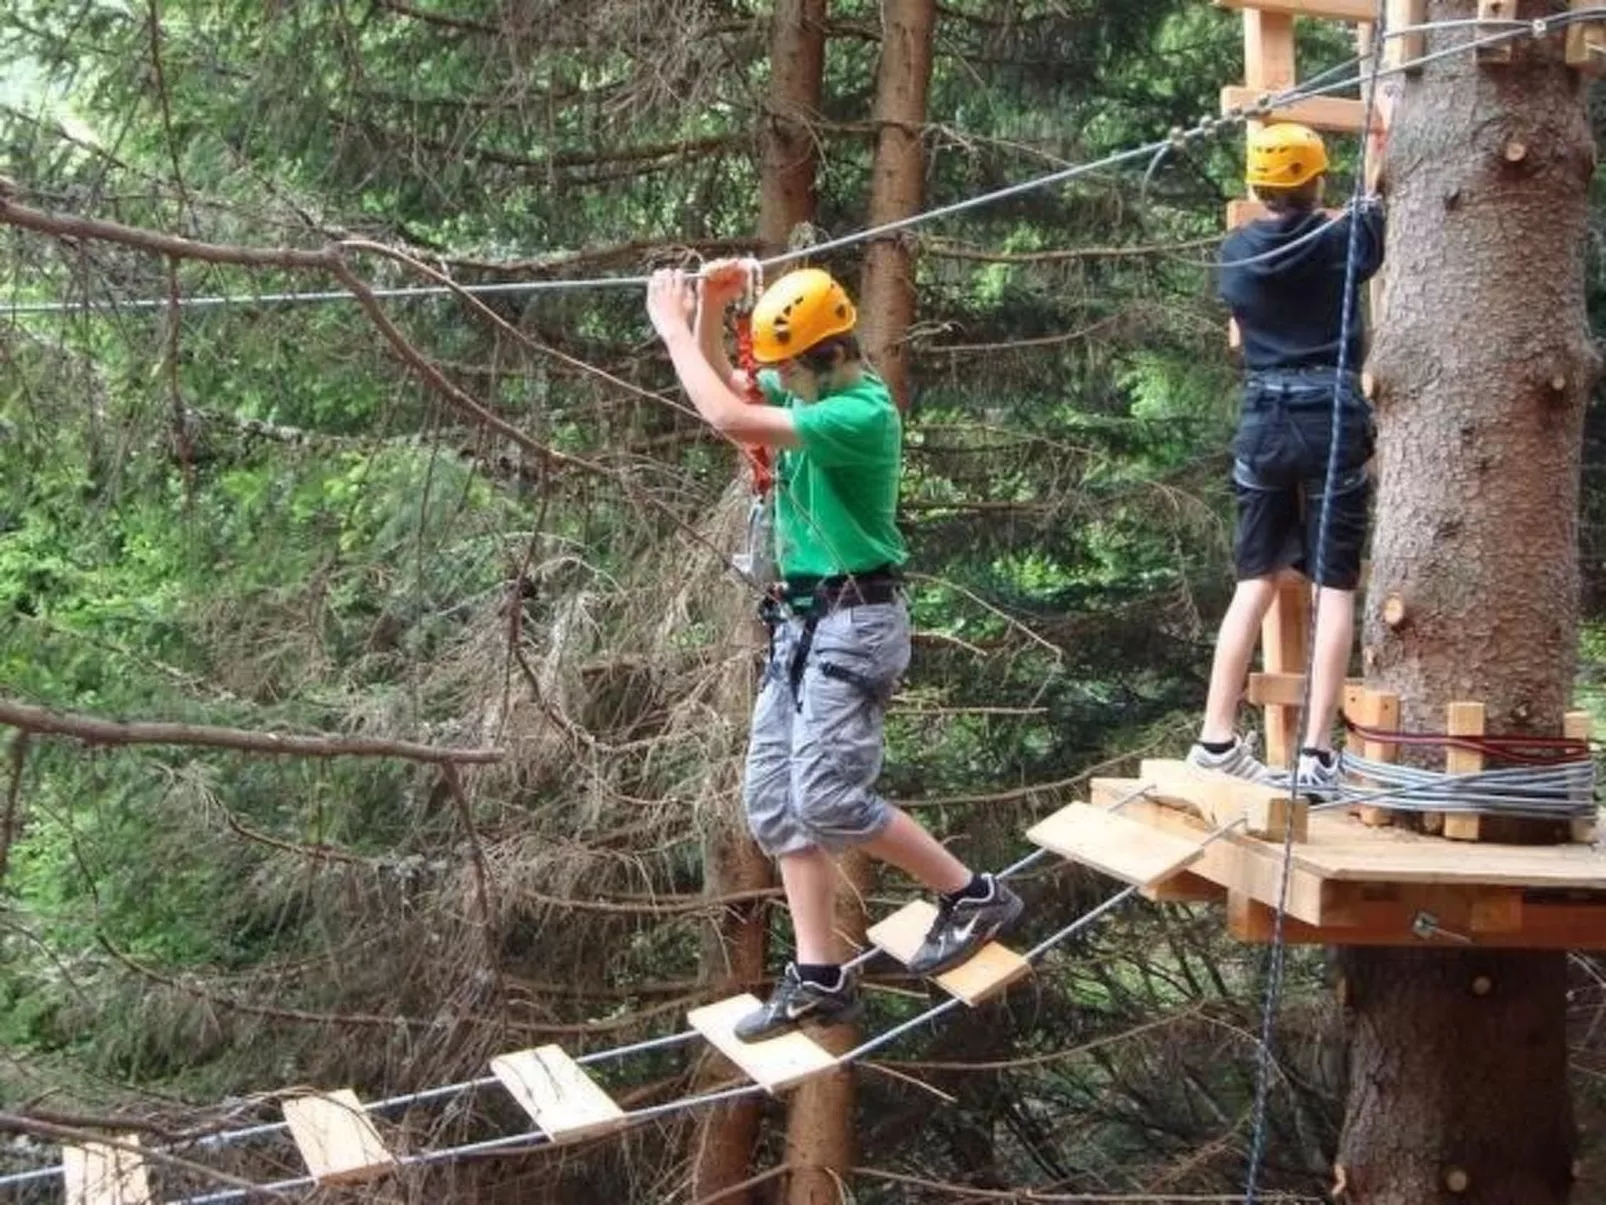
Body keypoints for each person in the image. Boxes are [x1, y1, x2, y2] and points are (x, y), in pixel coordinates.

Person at [645, 261, 1023, 1040]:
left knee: (829, 799)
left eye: (786, 367)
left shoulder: (858, 413)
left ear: (820, 358)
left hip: (855, 624)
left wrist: (674, 329)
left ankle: (972, 892)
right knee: (776, 805)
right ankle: (818, 978)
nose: (778, 379)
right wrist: (716, 310)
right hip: (805, 623)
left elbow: (728, 417)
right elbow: (739, 391)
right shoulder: (816, 389)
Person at [1186, 121, 1387, 795]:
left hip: (1263, 419)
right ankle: (1316, 754)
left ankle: (1215, 734)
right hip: (1329, 414)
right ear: (1315, 182)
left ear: (1255, 186)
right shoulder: (1339, 239)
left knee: (1256, 581)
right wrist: (1380, 140)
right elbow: (1374, 210)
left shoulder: (1234, 252)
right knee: (1333, 585)